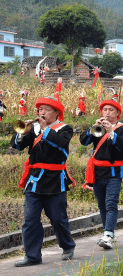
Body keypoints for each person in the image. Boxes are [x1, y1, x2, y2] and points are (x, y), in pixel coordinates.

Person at [11, 96, 75, 267]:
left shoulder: (65, 129)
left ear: (56, 112)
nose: (42, 112)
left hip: (55, 180)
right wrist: (22, 133)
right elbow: (17, 146)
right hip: (35, 180)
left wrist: (46, 129)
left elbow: (61, 144)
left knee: (58, 218)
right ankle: (32, 256)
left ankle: (67, 246)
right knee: (30, 220)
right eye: (40, 109)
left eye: (46, 109)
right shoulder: (34, 129)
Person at [80, 100, 123, 249]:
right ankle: (107, 233)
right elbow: (84, 141)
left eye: (111, 110)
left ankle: (108, 234)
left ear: (117, 113)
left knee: (111, 203)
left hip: (114, 172)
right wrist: (93, 127)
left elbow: (122, 146)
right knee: (102, 205)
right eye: (105, 110)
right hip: (97, 172)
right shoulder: (98, 128)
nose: (107, 113)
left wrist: (110, 132)